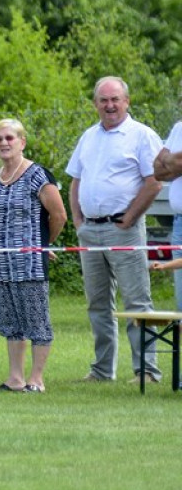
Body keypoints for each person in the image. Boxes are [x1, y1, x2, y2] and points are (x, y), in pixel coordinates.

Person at [67, 76, 162, 383]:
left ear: (127, 101)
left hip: (124, 229)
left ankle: (147, 370)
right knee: (97, 303)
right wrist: (78, 220)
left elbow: (154, 181)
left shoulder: (141, 135)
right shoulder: (89, 136)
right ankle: (102, 369)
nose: (109, 105)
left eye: (115, 99)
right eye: (103, 100)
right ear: (95, 104)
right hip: (90, 232)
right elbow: (75, 181)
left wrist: (131, 217)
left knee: (137, 301)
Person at [0, 120, 67, 393]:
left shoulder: (38, 175)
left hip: (30, 264)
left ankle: (36, 379)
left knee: (36, 320)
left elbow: (59, 215)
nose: (4, 143)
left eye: (9, 138)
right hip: (1, 264)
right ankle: (15, 378)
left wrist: (43, 244)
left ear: (22, 142)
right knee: (9, 321)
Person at [152, 117, 182, 310]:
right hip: (179, 221)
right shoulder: (179, 127)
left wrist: (169, 159)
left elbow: (171, 162)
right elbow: (157, 169)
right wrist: (175, 162)